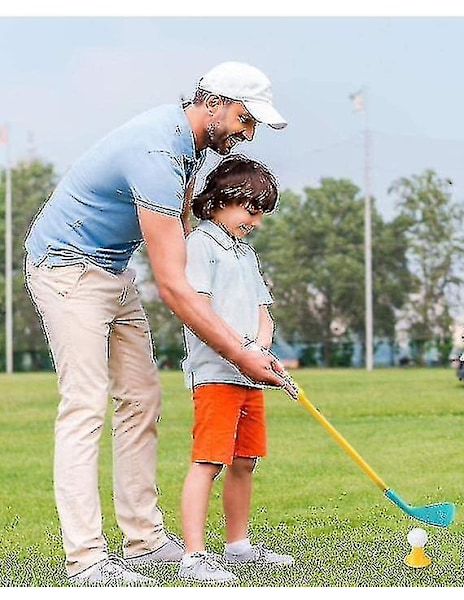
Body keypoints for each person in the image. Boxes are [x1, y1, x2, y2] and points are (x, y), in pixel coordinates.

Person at [23, 61, 292, 586]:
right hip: (64, 268)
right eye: (244, 118)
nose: (247, 133)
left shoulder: (190, 148)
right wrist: (241, 354)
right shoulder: (157, 152)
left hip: (111, 269)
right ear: (213, 104)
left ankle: (144, 542)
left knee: (142, 399)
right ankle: (86, 559)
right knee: (84, 404)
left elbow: (181, 235)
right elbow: (172, 285)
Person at [177, 155, 294, 584]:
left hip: (250, 375)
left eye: (262, 213)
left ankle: (238, 545)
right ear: (221, 200)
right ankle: (193, 556)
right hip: (215, 375)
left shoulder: (246, 253)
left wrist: (259, 349)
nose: (256, 221)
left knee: (245, 461)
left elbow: (264, 311)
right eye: (251, 209)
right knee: (209, 461)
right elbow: (199, 309)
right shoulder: (201, 245)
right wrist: (240, 350)